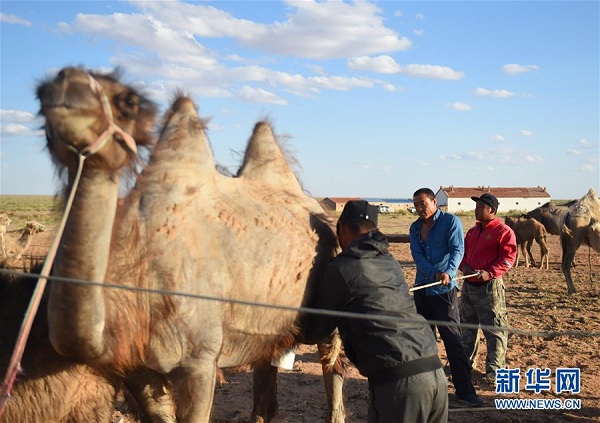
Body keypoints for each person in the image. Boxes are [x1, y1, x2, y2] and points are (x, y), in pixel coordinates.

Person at [304, 200, 448, 423]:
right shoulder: (389, 261)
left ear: (341, 229)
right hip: (435, 372)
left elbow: (315, 332)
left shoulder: (342, 268)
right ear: (376, 231)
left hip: (399, 384)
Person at [409, 188, 483, 407]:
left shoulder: (451, 222)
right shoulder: (414, 227)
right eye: (416, 205)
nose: (419, 208)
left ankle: (465, 391)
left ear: (434, 201)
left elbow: (457, 249)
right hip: (423, 286)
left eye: (423, 203)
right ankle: (428, 389)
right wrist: (434, 273)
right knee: (424, 341)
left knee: (453, 340)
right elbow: (417, 255)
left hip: (444, 290)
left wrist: (449, 272)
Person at [459, 193, 517, 383]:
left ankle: (494, 371)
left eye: (481, 206)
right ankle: (464, 364)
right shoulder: (472, 232)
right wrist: (464, 266)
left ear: (492, 210)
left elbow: (508, 258)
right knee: (467, 327)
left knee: (494, 330)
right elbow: (464, 254)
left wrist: (489, 272)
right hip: (469, 285)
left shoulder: (503, 231)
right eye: (476, 206)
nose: (476, 209)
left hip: (489, 287)